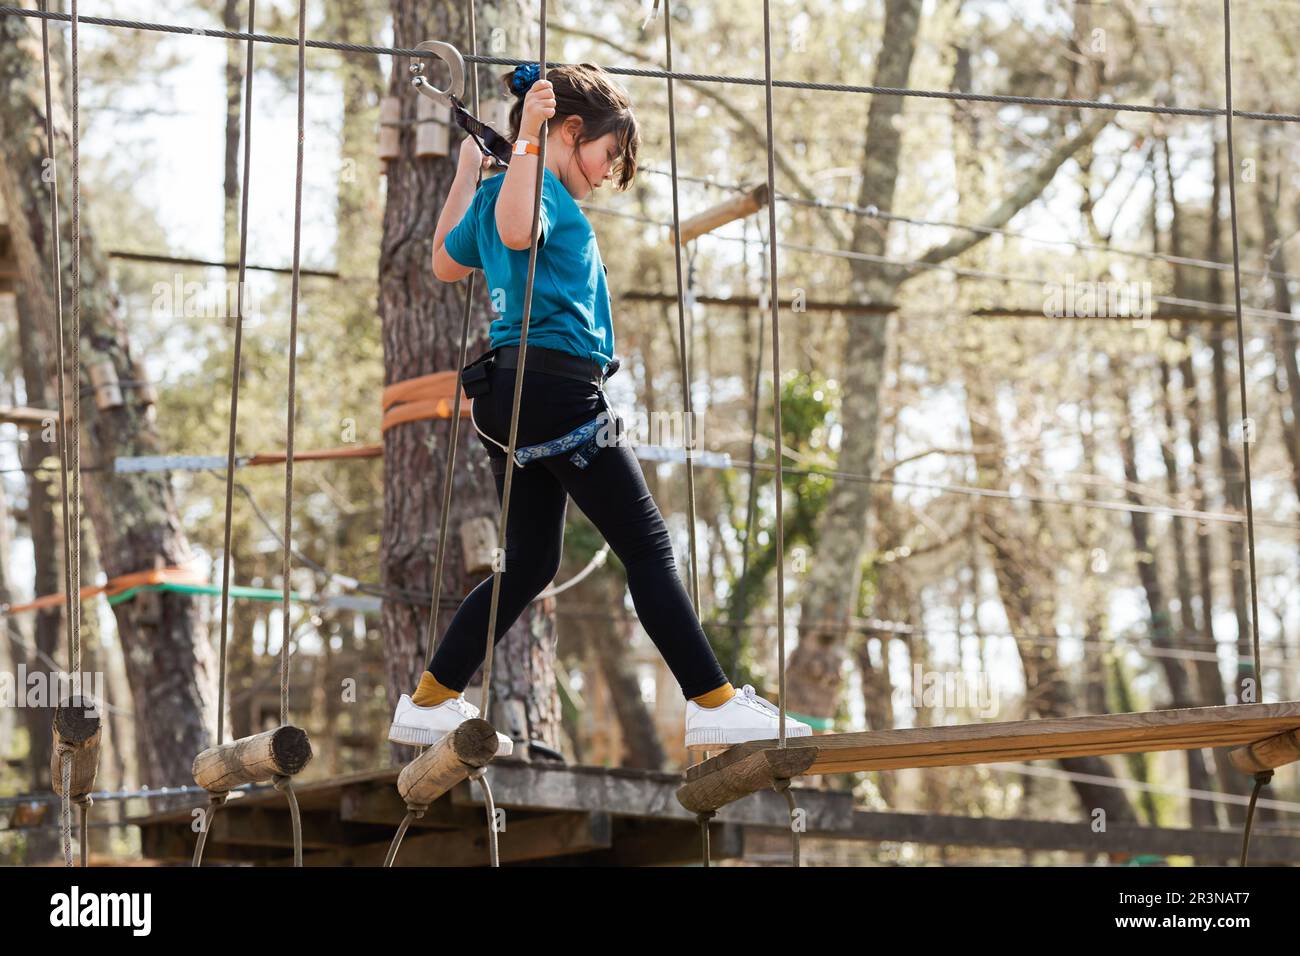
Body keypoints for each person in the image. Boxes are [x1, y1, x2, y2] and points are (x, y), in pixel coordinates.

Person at [388, 61, 811, 757]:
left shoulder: (505, 189)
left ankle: (431, 700)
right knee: (646, 545)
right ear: (571, 131)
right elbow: (520, 231)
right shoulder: (539, 191)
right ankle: (713, 702)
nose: (608, 171)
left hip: (505, 399)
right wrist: (525, 134)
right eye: (607, 153)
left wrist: (469, 170)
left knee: (528, 566)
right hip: (554, 390)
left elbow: (443, 259)